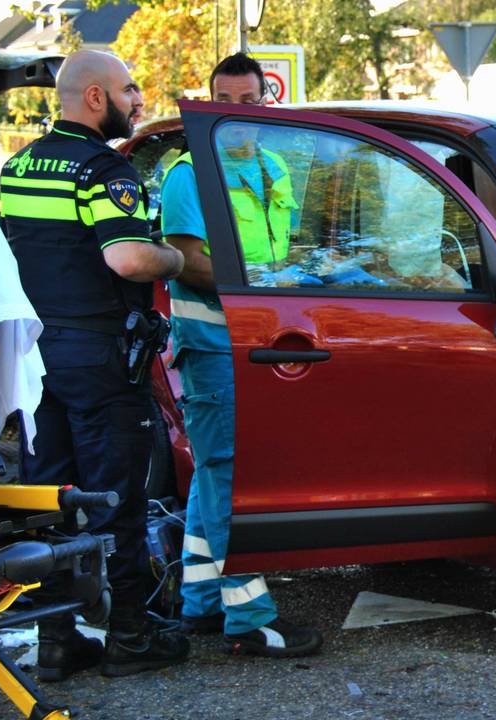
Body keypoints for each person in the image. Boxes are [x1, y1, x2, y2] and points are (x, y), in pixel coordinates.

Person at [1, 50, 190, 679]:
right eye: (130, 90)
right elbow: (129, 260)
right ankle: (131, 638)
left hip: (36, 356)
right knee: (118, 499)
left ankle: (56, 639)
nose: (138, 101)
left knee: (48, 497)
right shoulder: (104, 169)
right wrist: (177, 259)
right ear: (94, 98)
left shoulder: (22, 164)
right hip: (100, 358)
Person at [160, 53, 322, 657]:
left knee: (214, 473)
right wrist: (257, 282)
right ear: (208, 102)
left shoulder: (276, 166)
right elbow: (186, 260)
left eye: (249, 104)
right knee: (231, 478)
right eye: (225, 101)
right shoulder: (187, 173)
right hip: (213, 343)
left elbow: (285, 249)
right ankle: (249, 618)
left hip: (259, 342)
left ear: (264, 103)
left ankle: (200, 603)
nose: (237, 114)